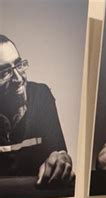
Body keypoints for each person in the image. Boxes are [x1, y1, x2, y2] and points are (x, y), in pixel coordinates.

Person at [0, 34, 74, 186]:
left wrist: (60, 160)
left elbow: (59, 153)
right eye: (5, 73)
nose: (19, 79)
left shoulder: (41, 95)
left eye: (19, 65)